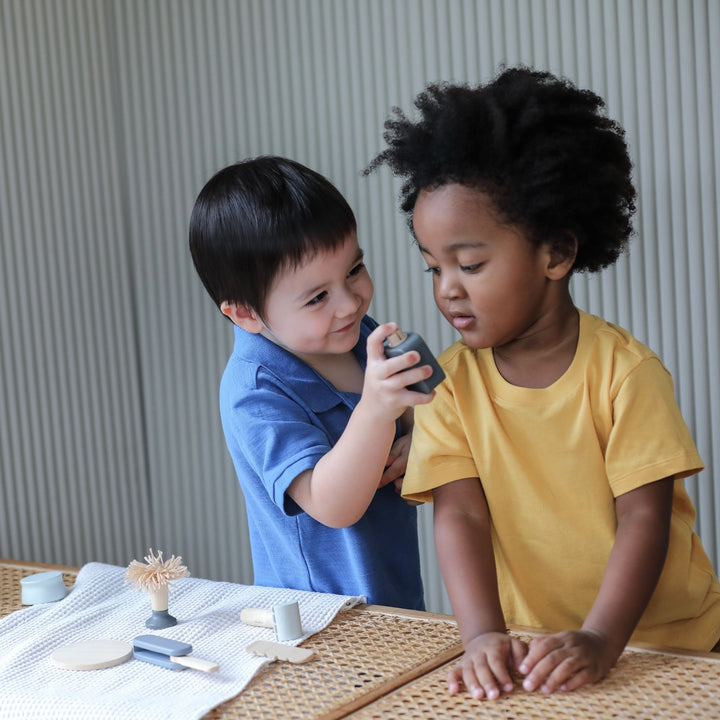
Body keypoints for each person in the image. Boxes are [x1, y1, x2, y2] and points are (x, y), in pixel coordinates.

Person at [365, 67, 720, 697]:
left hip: (673, 646)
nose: (448, 287)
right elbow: (461, 517)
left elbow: (645, 518)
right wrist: (480, 637)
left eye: (470, 263)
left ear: (555, 254)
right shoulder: (448, 386)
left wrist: (602, 639)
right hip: (539, 649)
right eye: (434, 267)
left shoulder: (625, 374)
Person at [189, 156, 435, 610]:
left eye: (354, 271)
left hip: (393, 599)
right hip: (317, 619)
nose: (349, 303)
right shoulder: (255, 392)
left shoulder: (358, 335)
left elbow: (423, 412)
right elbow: (332, 505)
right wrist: (377, 410)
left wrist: (417, 440)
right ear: (244, 314)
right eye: (318, 297)